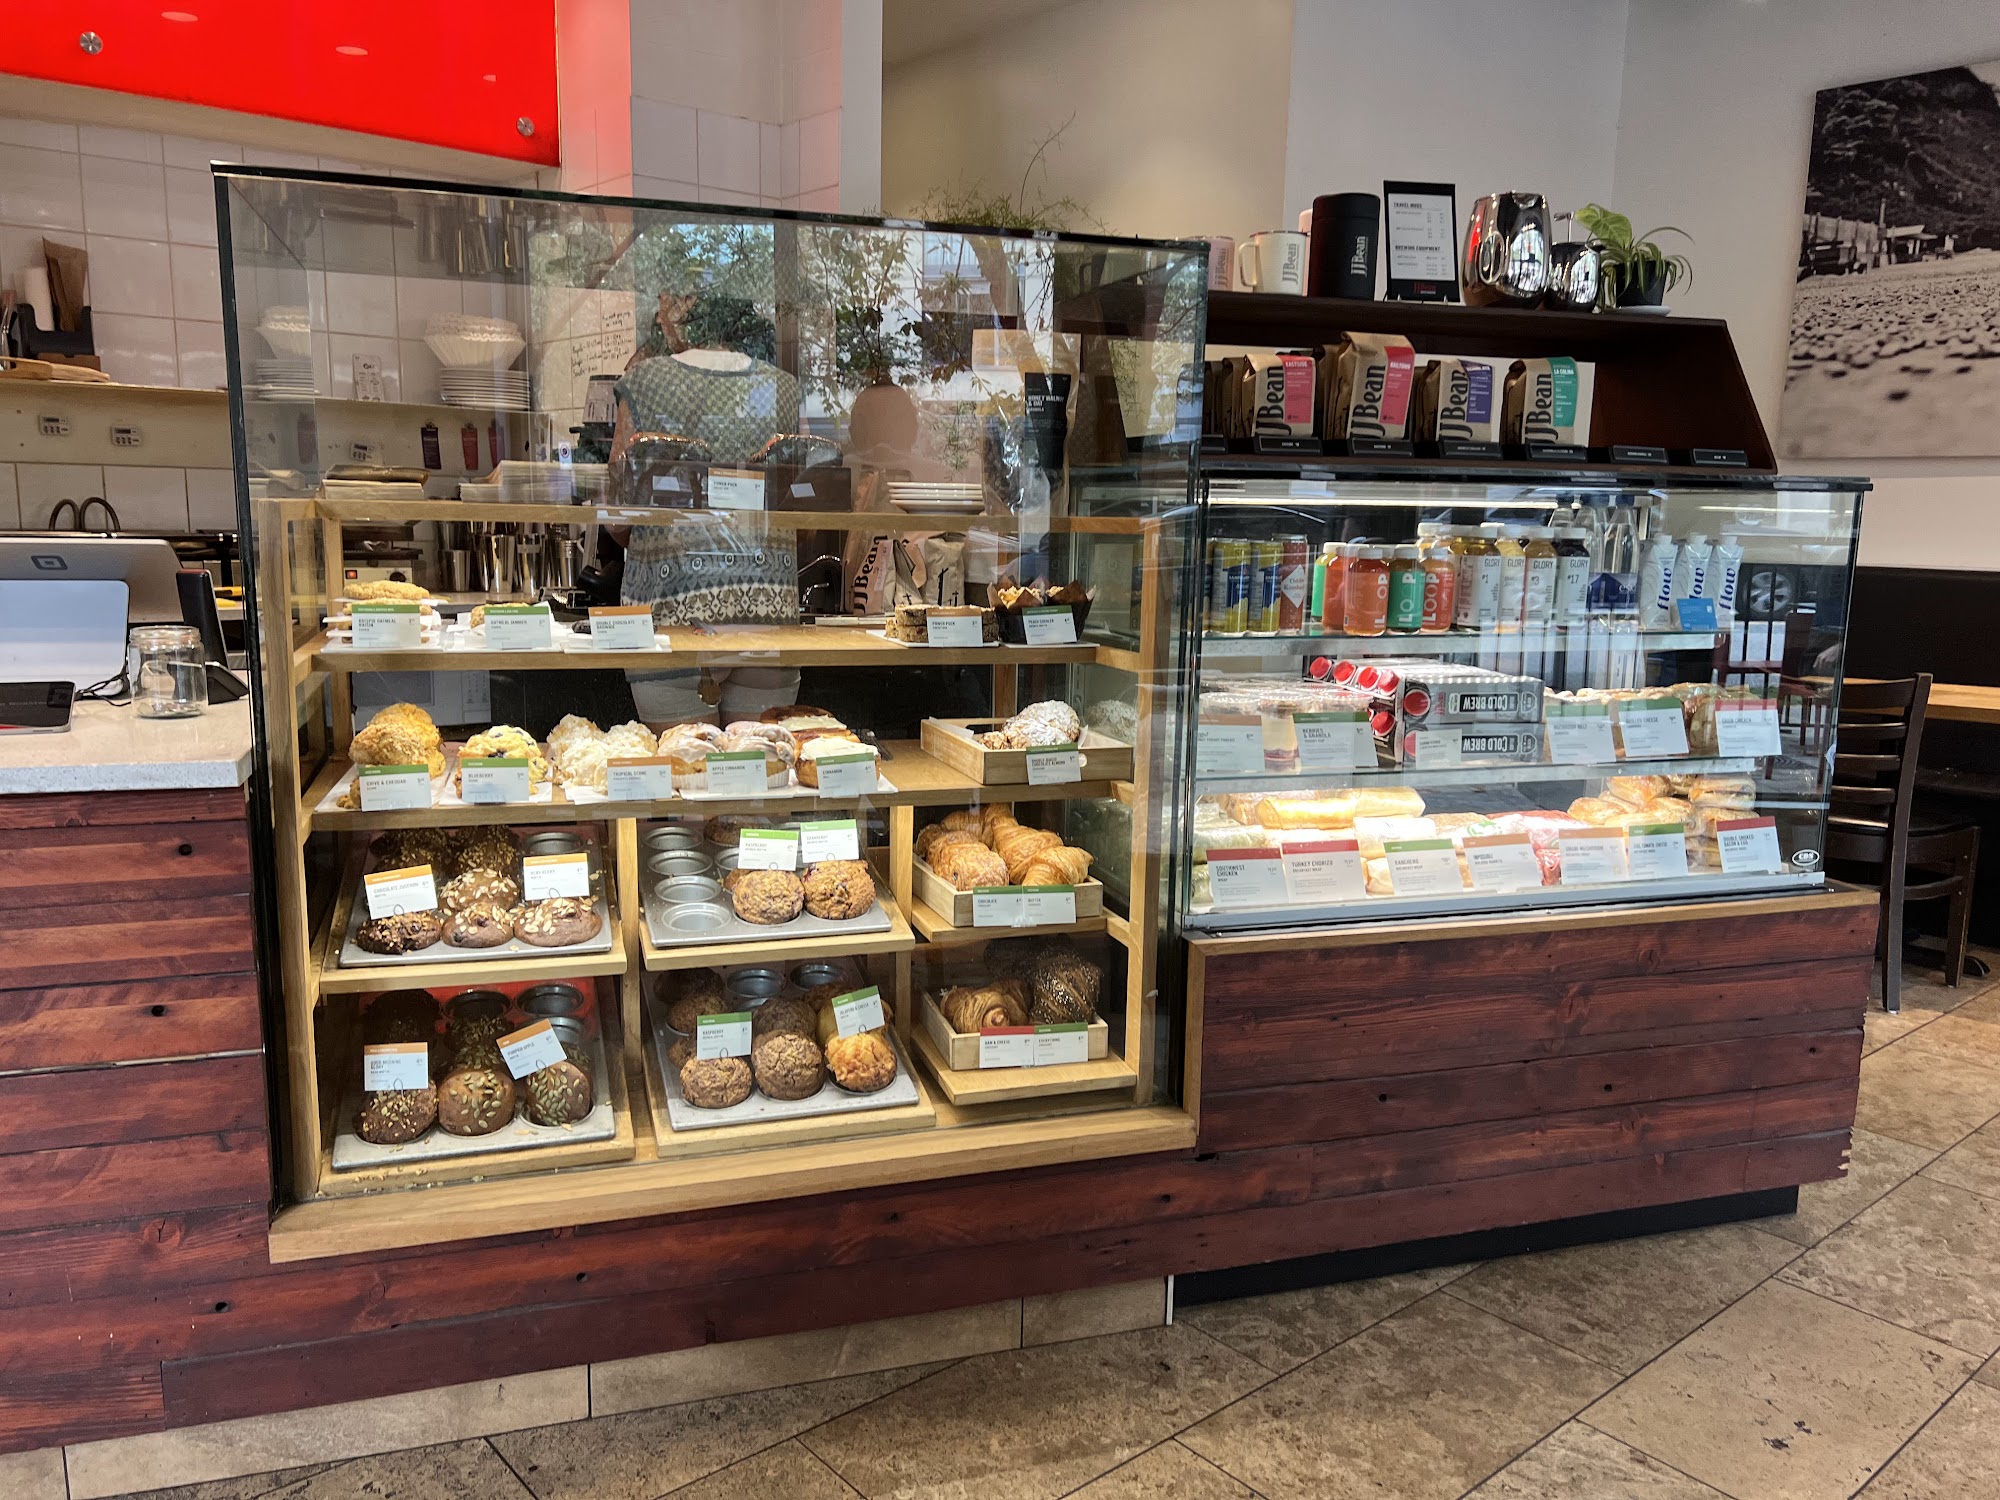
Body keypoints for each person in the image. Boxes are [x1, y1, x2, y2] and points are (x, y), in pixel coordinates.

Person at [609, 287, 803, 727]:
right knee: (759, 762)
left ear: (685, 312)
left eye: (664, 307)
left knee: (687, 763)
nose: (659, 319)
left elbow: (619, 518)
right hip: (768, 618)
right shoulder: (784, 389)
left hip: (672, 620)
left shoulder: (643, 383)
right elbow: (803, 517)